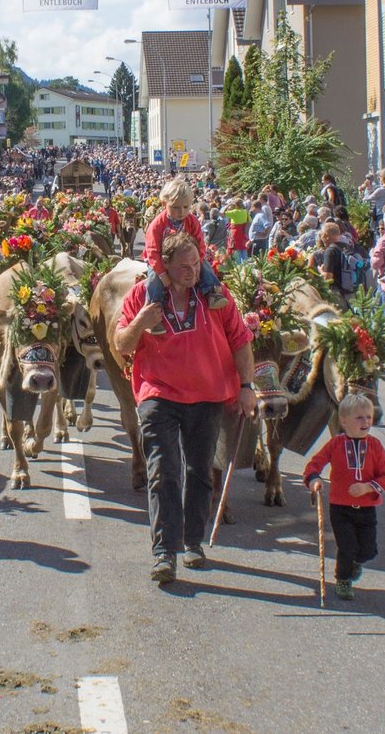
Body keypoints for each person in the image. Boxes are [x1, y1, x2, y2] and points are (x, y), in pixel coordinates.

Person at [115, 231, 255, 584]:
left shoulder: (216, 297)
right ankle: (164, 551)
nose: (192, 271)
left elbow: (240, 341)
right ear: (164, 266)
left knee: (199, 472)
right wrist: (140, 324)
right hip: (158, 394)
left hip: (207, 397)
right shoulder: (142, 296)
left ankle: (192, 541)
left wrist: (248, 386)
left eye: (196, 264)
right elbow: (121, 345)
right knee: (164, 471)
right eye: (183, 266)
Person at [305, 393, 385, 601]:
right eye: (359, 418)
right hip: (340, 507)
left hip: (367, 507)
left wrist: (368, 487)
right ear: (343, 421)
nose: (366, 422)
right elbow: (314, 464)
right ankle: (343, 579)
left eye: (369, 417)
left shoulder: (375, 446)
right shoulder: (336, 444)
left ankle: (356, 563)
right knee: (347, 546)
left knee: (368, 551)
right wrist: (314, 479)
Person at [143, 180, 228, 335]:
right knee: (153, 280)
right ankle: (154, 313)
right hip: (163, 260)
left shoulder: (192, 221)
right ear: (164, 204)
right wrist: (162, 274)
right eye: (175, 207)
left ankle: (212, 292)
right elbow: (152, 251)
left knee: (206, 266)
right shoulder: (157, 224)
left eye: (185, 207)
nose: (181, 211)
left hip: (188, 257)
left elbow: (200, 243)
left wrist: (198, 262)